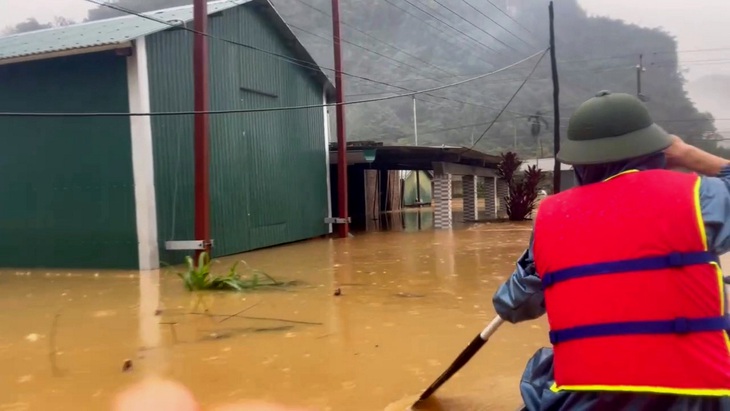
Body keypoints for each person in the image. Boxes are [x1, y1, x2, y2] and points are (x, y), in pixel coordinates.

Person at [493, 90, 730, 411]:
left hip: (582, 400)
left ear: (580, 164)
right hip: (700, 398)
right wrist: (689, 155)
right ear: (657, 152)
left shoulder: (551, 217)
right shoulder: (700, 198)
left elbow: (513, 305)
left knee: (542, 373)